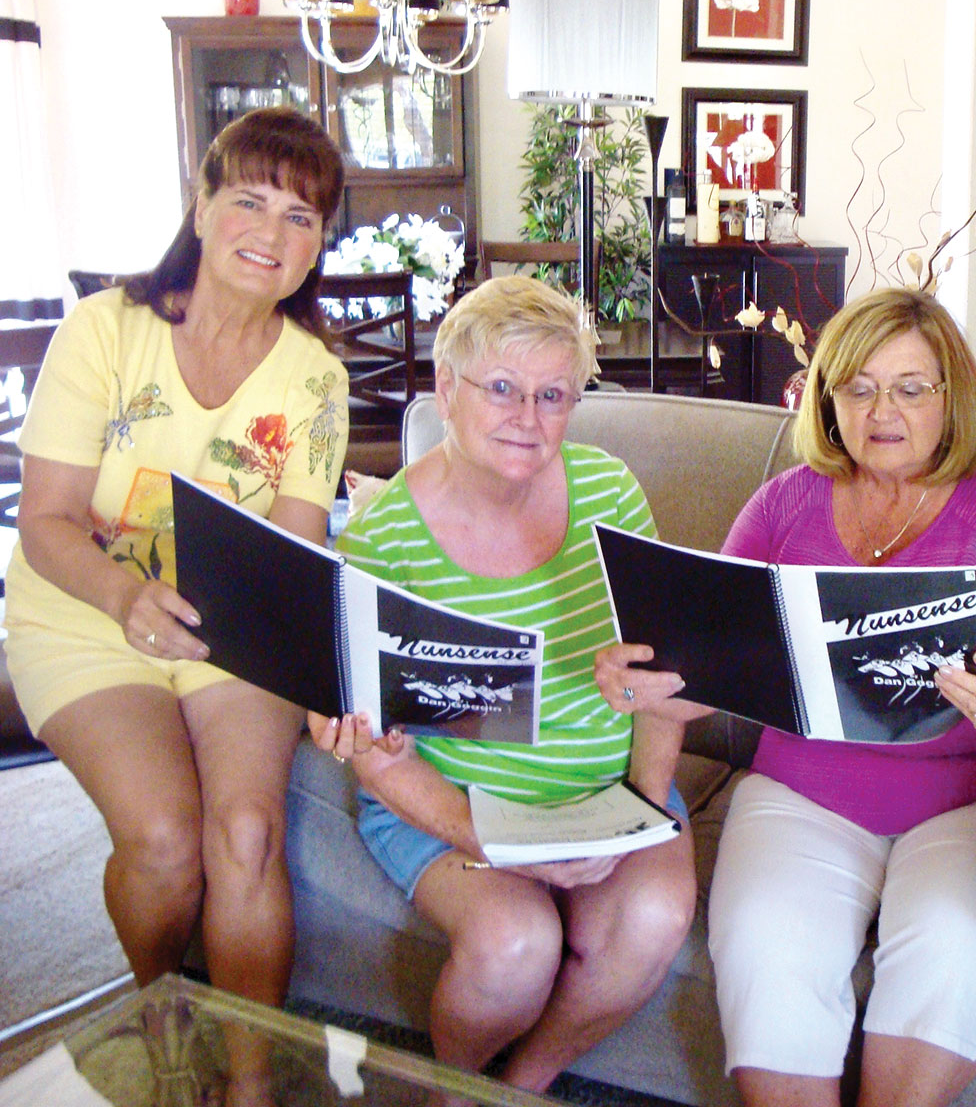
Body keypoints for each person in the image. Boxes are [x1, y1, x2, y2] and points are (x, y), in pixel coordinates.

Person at [595, 288, 976, 1107]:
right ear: (827, 399)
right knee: (769, 948)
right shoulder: (784, 504)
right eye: (856, 387)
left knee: (954, 946)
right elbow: (703, 668)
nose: (881, 409)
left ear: (949, 396)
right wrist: (650, 680)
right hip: (801, 793)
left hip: (972, 798)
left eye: (910, 387)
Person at [310, 276, 695, 1093]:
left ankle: (519, 1085)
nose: (527, 416)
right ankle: (459, 1088)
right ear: (446, 390)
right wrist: (487, 841)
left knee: (653, 915)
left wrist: (640, 803)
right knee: (514, 946)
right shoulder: (387, 539)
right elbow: (373, 750)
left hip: (605, 788)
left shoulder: (609, 490)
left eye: (552, 394)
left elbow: (665, 678)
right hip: (459, 801)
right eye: (501, 388)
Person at [6, 107, 348, 1021]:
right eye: (249, 201)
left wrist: (327, 677)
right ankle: (160, 1023)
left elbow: (296, 551)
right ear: (199, 207)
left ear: (318, 245)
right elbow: (44, 521)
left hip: (232, 631)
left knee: (245, 832)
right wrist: (126, 595)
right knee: (164, 842)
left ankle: (247, 1080)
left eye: (301, 217)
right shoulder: (103, 330)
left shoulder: (315, 375)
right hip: (85, 613)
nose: (271, 235)